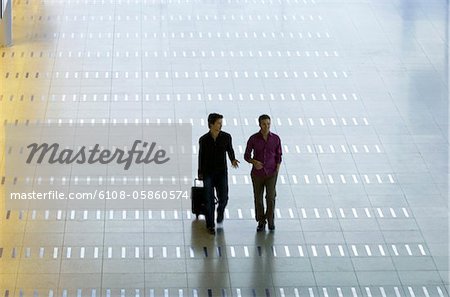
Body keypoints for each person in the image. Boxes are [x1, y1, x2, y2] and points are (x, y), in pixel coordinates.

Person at [198, 113, 239, 235]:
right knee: (209, 200)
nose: (221, 125)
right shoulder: (203, 140)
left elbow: (230, 150)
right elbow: (201, 157)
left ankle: (220, 211)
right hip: (208, 173)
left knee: (224, 197)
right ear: (211, 124)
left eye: (221, 123)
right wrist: (200, 172)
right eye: (218, 123)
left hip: (221, 172)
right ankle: (210, 225)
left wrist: (233, 159)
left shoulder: (226, 137)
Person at [244, 114, 282, 231]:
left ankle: (270, 220)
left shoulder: (275, 139)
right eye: (264, 124)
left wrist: (277, 170)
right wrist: (253, 161)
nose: (267, 126)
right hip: (257, 174)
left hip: (271, 173)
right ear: (259, 124)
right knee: (258, 199)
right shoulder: (253, 139)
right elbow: (246, 156)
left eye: (268, 124)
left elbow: (279, 155)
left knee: (270, 197)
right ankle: (261, 221)